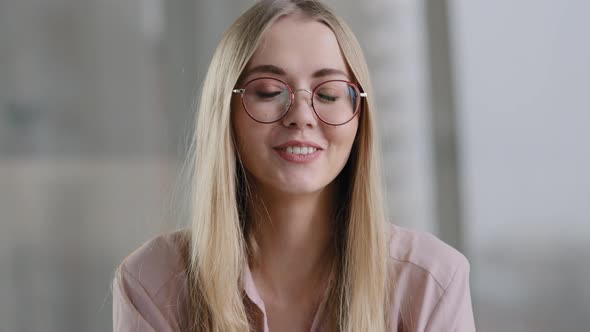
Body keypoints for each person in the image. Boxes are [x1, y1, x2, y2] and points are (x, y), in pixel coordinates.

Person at [112, 0, 476, 331]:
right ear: (225, 112)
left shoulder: (432, 281)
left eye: (329, 94)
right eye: (270, 91)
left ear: (358, 116)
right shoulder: (152, 281)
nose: (301, 116)